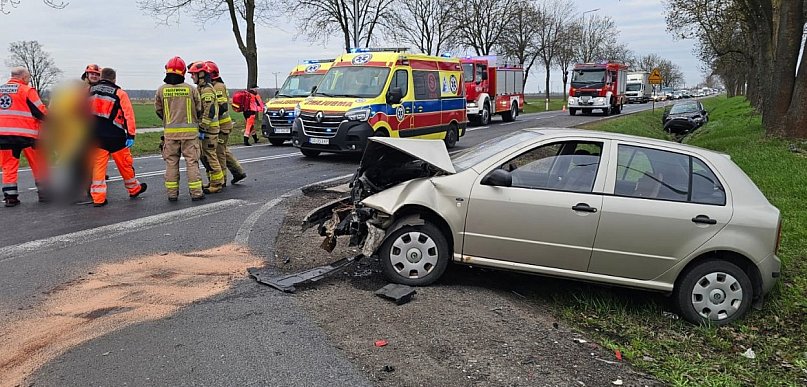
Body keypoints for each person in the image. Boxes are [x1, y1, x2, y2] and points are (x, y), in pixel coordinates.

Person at [88, 67, 146, 207]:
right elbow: (128, 116)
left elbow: (79, 110)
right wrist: (131, 134)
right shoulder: (120, 93)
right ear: (114, 79)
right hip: (116, 136)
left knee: (98, 167)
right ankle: (133, 189)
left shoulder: (88, 91)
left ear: (101, 77)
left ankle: (98, 198)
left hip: (96, 135)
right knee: (125, 164)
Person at [155, 56, 205, 201]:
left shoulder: (161, 90)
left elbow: (158, 110)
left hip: (170, 135)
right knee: (192, 163)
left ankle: (172, 194)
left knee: (171, 163)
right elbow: (199, 109)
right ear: (183, 72)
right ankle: (196, 193)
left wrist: (169, 121)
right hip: (190, 135)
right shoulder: (191, 89)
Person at [0, 67, 48, 207]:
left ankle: (10, 197)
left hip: (4, 136)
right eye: (28, 77)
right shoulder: (26, 90)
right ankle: (45, 194)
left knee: (8, 166)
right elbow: (41, 112)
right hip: (27, 135)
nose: (28, 80)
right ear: (23, 77)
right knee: (38, 163)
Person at [206, 61, 246, 184]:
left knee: (219, 153)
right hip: (221, 125)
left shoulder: (217, 86)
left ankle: (222, 179)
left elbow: (222, 106)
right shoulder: (214, 85)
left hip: (222, 126)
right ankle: (238, 172)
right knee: (223, 150)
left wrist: (208, 116)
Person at [188, 61, 224, 193]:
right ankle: (212, 181)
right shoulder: (202, 89)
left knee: (211, 157)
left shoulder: (207, 90)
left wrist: (203, 127)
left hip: (209, 130)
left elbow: (209, 110)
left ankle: (217, 183)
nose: (192, 77)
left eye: (193, 74)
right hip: (207, 130)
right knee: (205, 157)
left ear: (201, 74)